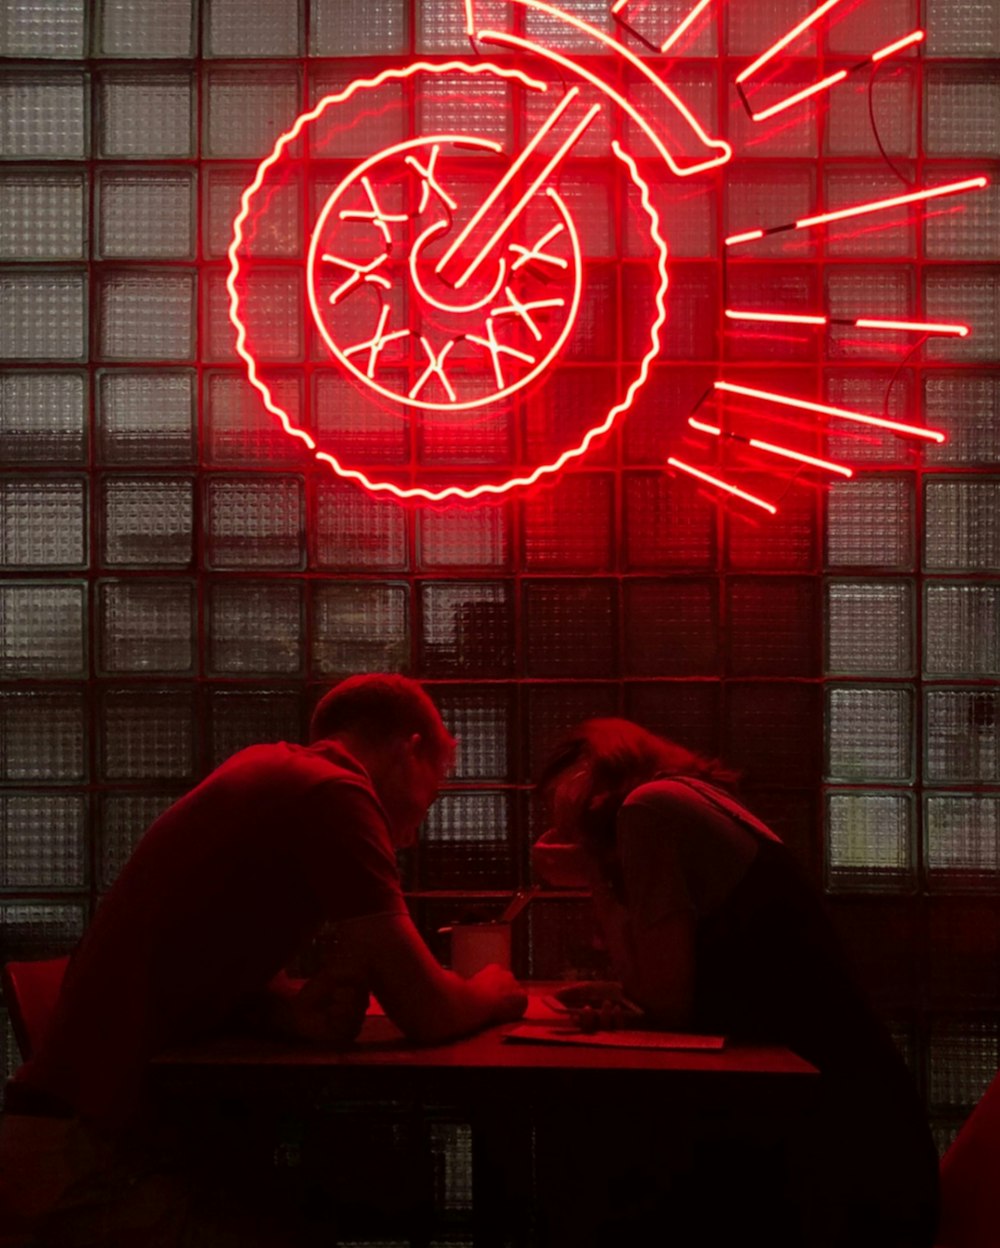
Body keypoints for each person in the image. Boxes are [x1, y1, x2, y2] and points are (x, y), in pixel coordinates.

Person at [0, 673, 527, 1246]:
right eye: (440, 777)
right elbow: (428, 1011)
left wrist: (285, 1014)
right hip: (90, 1169)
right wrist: (497, 988)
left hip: (66, 1140)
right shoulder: (333, 792)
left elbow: (180, 966)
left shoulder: (271, 772)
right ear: (412, 748)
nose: (425, 818)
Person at [532, 717, 939, 1248]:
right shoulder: (700, 800)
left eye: (563, 809)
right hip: (862, 1128)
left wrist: (591, 873)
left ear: (592, 782)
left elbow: (667, 1004)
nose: (557, 825)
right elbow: (659, 992)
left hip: (835, 1166)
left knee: (594, 1177)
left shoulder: (649, 808)